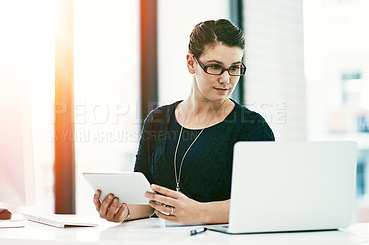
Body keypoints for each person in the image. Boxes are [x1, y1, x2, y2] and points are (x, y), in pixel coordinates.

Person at [93, 19, 275, 225]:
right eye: (215, 67)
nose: (226, 79)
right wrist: (123, 211)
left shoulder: (252, 127)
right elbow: (145, 198)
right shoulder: (157, 120)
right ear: (191, 63)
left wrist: (201, 212)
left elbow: (264, 202)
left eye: (234, 68)